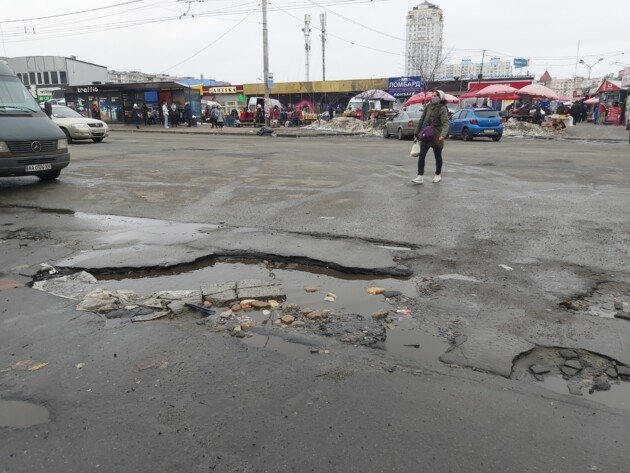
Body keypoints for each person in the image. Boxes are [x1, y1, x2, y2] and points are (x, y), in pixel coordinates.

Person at [412, 90, 450, 185]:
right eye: (432, 96)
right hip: (425, 135)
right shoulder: (428, 106)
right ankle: (420, 176)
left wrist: (443, 134)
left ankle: (438, 174)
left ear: (440, 97)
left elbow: (446, 123)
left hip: (437, 136)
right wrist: (417, 132)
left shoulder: (442, 108)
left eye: (435, 96)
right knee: (421, 156)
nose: (433, 97)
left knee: (437, 157)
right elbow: (422, 119)